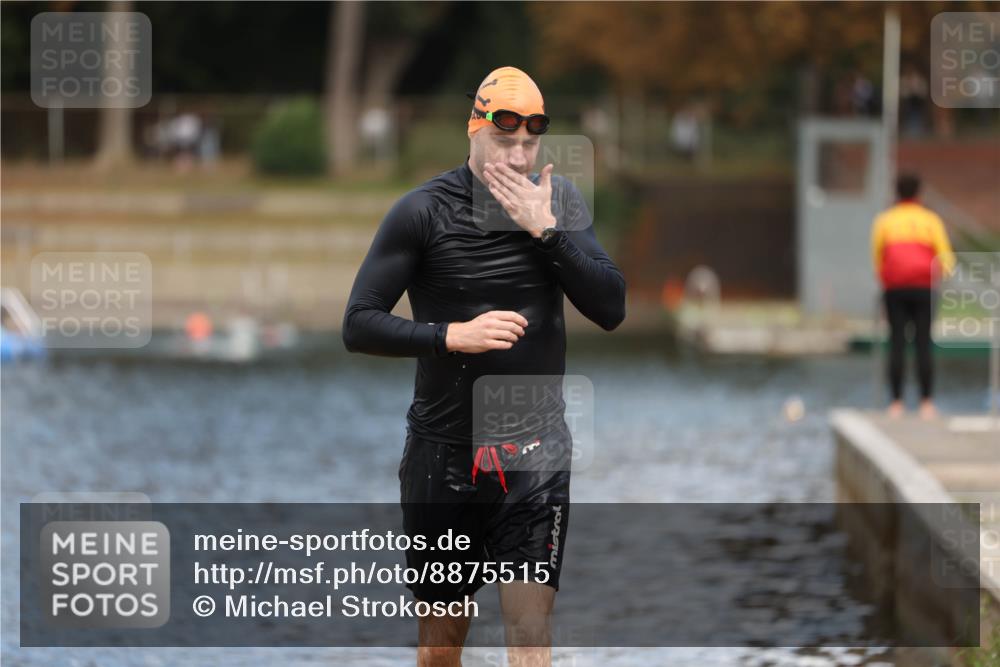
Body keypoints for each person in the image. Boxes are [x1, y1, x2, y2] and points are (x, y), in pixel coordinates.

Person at [342, 66, 626, 666]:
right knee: (442, 646)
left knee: (529, 632)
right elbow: (358, 323)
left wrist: (545, 232)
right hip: (444, 458)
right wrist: (452, 336)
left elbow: (611, 307)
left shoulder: (561, 204)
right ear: (474, 131)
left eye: (530, 142)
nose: (519, 155)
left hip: (534, 455)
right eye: (505, 140)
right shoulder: (421, 212)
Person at [871, 172, 955, 420]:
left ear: (896, 193)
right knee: (923, 344)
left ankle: (896, 403)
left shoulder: (885, 221)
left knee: (896, 343)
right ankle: (926, 403)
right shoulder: (930, 220)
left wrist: (887, 280)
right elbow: (946, 258)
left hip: (895, 289)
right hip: (924, 288)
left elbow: (877, 257)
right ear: (919, 193)